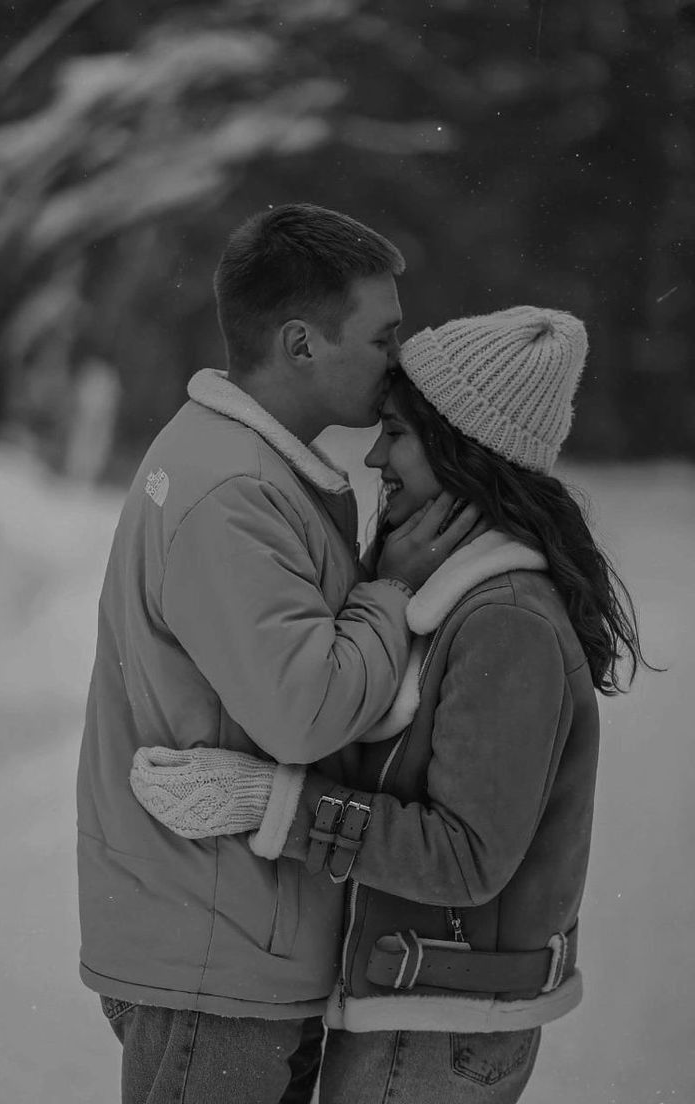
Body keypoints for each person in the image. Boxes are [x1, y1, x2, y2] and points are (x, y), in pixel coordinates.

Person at [131, 305, 651, 1103]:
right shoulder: (448, 594)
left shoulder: (504, 617)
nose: (375, 454)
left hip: (440, 1032)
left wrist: (273, 803)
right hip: (414, 1013)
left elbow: (467, 855)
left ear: (465, 454)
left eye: (399, 434)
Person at [76, 203, 471, 1104]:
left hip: (228, 943)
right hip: (214, 960)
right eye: (384, 335)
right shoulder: (233, 492)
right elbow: (305, 712)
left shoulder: (252, 466)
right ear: (300, 344)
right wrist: (393, 591)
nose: (399, 358)